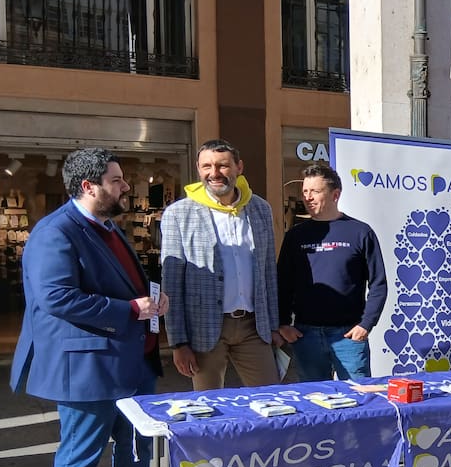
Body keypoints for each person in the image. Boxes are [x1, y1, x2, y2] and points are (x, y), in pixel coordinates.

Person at [10, 148, 168, 467]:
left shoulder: (108, 227)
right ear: (89, 186)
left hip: (133, 363)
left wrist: (153, 298)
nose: (125, 187)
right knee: (80, 457)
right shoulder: (55, 232)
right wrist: (131, 310)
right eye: (116, 180)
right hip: (89, 368)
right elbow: (56, 297)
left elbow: (122, 284)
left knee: (136, 448)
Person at [161, 138, 280, 389]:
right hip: (204, 329)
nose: (214, 173)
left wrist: (273, 326)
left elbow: (268, 272)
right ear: (198, 169)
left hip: (253, 327)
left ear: (239, 167)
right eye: (207, 166)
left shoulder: (260, 209)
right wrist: (179, 343)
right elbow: (171, 284)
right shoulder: (179, 213)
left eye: (222, 165)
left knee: (271, 398)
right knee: (208, 406)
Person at [277, 164, 388, 381]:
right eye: (305, 191)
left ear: (335, 194)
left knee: (358, 396)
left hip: (348, 336)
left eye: (315, 191)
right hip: (305, 335)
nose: (308, 197)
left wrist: (366, 324)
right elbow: (283, 282)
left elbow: (379, 284)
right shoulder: (295, 236)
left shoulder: (360, 232)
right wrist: (283, 323)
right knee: (314, 397)